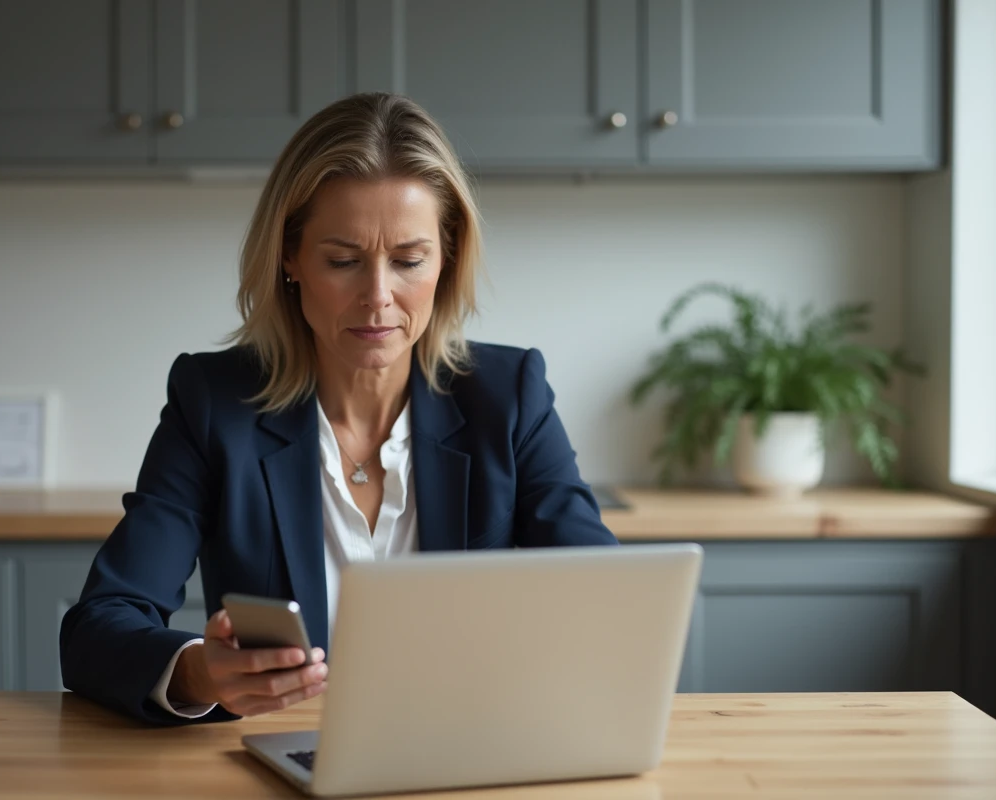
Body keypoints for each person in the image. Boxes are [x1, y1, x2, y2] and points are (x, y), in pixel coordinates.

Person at [59, 92, 618, 726]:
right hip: (282, 760)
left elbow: (605, 600)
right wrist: (197, 672)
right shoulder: (213, 402)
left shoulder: (509, 394)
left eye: (408, 260)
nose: (377, 297)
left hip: (468, 750)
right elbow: (97, 628)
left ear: (447, 257)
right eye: (343, 261)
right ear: (290, 258)